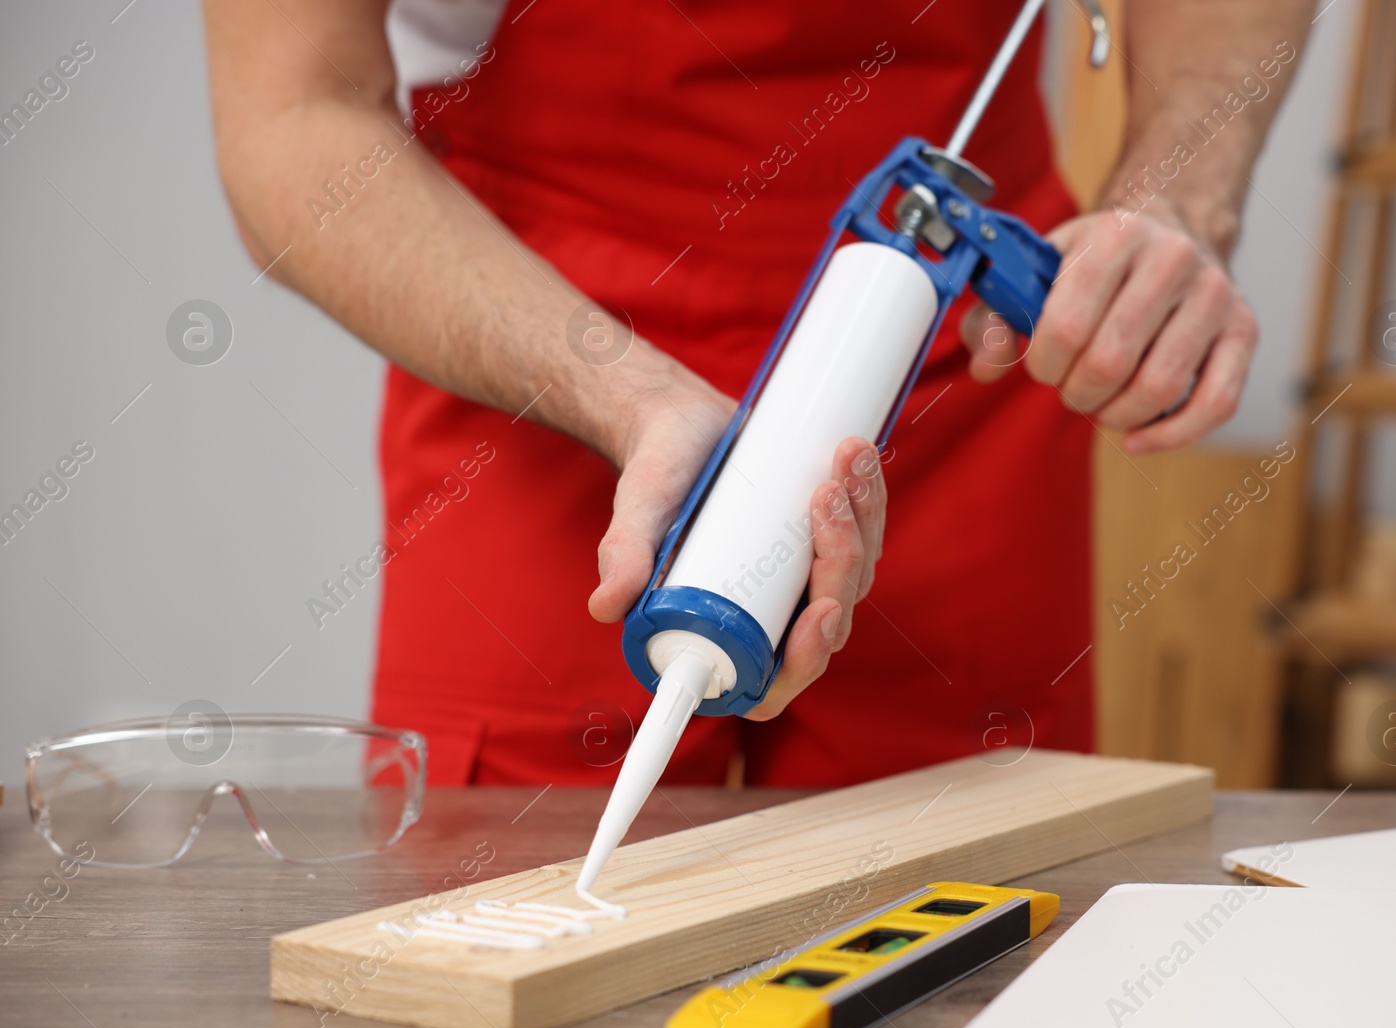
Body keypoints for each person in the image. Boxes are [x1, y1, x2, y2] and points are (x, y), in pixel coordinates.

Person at [201, 0, 1312, 789]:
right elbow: (292, 114)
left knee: (969, 923)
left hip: (957, 356)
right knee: (511, 912)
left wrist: (1175, 201)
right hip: (544, 366)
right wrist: (622, 392)